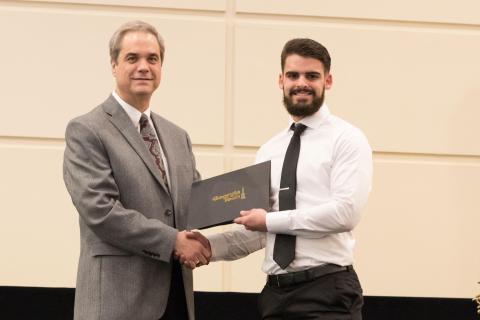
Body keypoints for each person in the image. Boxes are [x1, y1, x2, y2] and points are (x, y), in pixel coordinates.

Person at [186, 38, 373, 319]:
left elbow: (346, 213)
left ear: (328, 81)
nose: (302, 83)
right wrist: (210, 247)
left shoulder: (347, 139)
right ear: (281, 80)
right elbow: (261, 231)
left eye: (312, 76)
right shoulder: (269, 150)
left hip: (328, 293)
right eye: (293, 75)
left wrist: (269, 220)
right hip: (274, 298)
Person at [63, 20, 210, 320]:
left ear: (161, 68)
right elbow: (101, 211)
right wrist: (173, 241)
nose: (144, 66)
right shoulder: (87, 130)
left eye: (152, 59)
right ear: (114, 66)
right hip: (117, 303)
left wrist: (251, 199)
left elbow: (196, 203)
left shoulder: (177, 135)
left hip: (176, 299)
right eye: (133, 58)